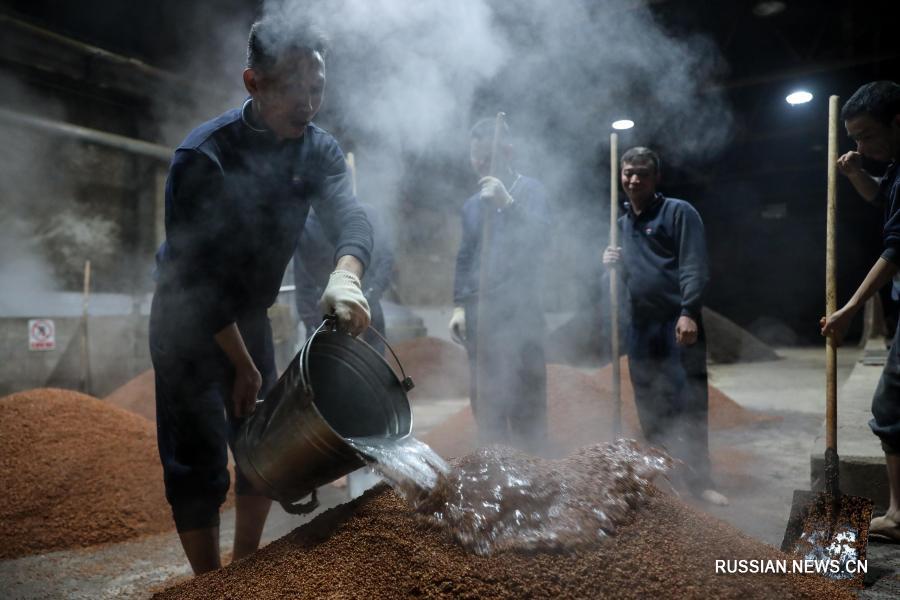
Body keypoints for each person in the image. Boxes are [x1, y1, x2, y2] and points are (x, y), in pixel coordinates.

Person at [149, 17, 373, 575]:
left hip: (246, 313)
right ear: (253, 83)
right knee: (198, 452)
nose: (308, 103)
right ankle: (208, 583)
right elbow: (194, 276)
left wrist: (346, 274)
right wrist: (244, 366)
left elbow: (352, 217)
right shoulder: (203, 157)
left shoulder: (318, 151)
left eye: (317, 89)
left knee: (259, 441)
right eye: (292, 88)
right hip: (187, 318)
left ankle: (244, 567)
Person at [602, 146, 727, 506]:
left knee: (688, 402)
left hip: (679, 325)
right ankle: (664, 479)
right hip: (640, 327)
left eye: (642, 172)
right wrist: (611, 263)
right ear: (620, 175)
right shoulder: (621, 225)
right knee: (649, 404)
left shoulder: (679, 212)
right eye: (627, 172)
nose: (633, 179)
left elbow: (694, 265)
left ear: (656, 178)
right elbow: (625, 279)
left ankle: (701, 482)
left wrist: (688, 311)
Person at [821, 80, 900, 542]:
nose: (860, 146)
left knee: (890, 403)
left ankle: (898, 516)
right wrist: (855, 174)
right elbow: (880, 201)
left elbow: (897, 247)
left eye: (866, 135)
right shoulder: (892, 169)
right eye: (852, 138)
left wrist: (850, 308)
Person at [449, 118, 549, 453]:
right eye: (474, 155)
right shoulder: (472, 205)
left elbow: (543, 241)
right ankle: (495, 476)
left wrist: (508, 204)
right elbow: (465, 258)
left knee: (526, 401)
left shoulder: (530, 191)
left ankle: (533, 478)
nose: (478, 163)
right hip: (483, 317)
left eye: (485, 155)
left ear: (507, 151)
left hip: (522, 316)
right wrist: (460, 306)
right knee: (487, 401)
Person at [294, 204, 394, 354]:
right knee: (327, 361)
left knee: (375, 358)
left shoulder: (365, 216)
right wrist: (311, 323)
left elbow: (386, 257)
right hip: (328, 310)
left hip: (368, 301)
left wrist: (373, 291)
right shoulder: (307, 228)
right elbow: (303, 281)